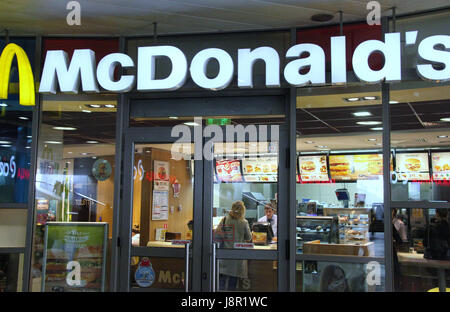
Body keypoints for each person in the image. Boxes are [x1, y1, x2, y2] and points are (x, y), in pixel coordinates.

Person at [219, 201, 252, 291]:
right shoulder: (244, 222)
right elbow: (249, 238)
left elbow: (218, 235)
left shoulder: (225, 219)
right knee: (232, 282)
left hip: (225, 255)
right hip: (237, 257)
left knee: (221, 281)